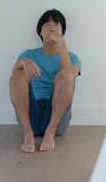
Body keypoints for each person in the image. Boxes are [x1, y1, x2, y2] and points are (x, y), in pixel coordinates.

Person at [10, 9, 81, 153]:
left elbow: (69, 78)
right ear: (40, 32)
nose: (52, 28)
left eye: (57, 25)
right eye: (48, 25)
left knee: (65, 75)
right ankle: (28, 134)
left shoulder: (73, 58)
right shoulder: (28, 54)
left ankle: (49, 133)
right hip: (31, 115)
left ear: (62, 32)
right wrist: (23, 62)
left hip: (57, 119)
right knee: (17, 73)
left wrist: (62, 44)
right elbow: (14, 81)